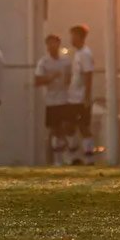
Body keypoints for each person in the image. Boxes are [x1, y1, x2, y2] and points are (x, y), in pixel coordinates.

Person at [34, 34, 71, 166]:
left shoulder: (66, 61)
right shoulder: (43, 62)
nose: (51, 46)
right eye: (49, 43)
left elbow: (70, 77)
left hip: (65, 99)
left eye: (54, 43)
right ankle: (57, 159)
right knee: (54, 129)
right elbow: (37, 80)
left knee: (65, 127)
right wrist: (50, 77)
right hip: (51, 100)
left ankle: (69, 155)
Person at [66, 25, 95, 165]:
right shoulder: (77, 53)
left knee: (84, 126)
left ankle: (89, 158)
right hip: (72, 97)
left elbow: (88, 75)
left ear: (79, 37)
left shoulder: (85, 53)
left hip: (81, 97)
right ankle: (74, 157)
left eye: (73, 35)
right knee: (70, 126)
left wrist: (87, 96)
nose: (71, 39)